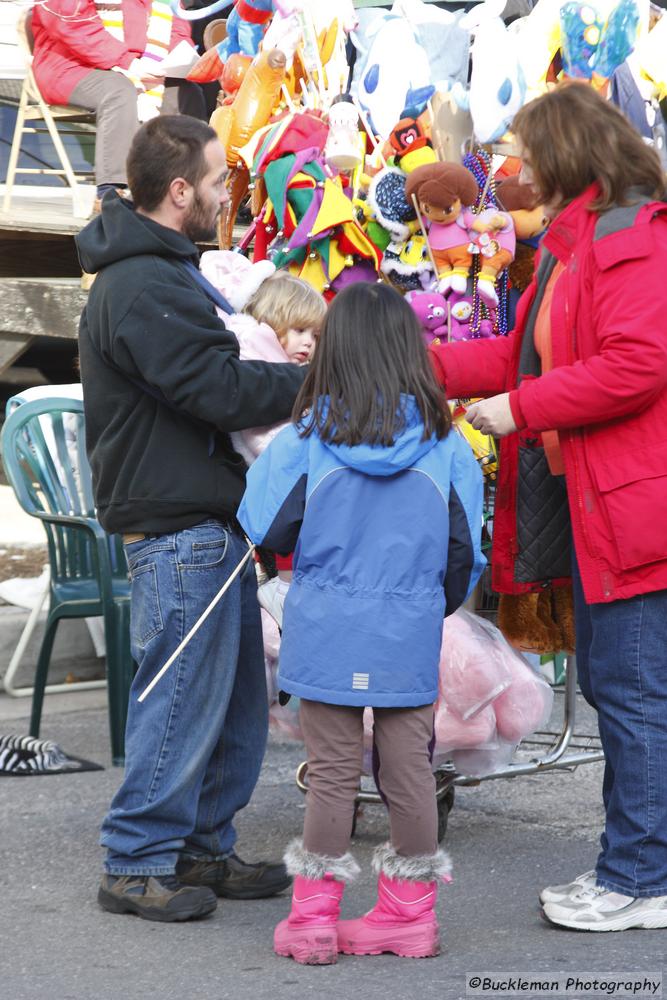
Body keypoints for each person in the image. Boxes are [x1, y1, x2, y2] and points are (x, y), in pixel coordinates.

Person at [428, 81, 667, 933]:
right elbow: (518, 353)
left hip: (635, 510)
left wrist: (519, 412)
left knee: (633, 695)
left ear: (565, 153)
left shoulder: (632, 240)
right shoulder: (576, 246)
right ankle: (634, 868)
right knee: (621, 689)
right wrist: (418, 365)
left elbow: (637, 365)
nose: (510, 169)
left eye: (523, 153)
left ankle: (640, 881)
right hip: (603, 505)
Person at [76, 114, 305, 922]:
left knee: (234, 700)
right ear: (179, 191)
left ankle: (201, 849)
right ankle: (135, 862)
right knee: (179, 698)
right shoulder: (142, 283)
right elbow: (216, 390)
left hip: (208, 525)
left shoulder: (166, 271)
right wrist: (318, 383)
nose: (222, 196)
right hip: (179, 526)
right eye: (215, 182)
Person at [238, 282, 485, 964]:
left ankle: (314, 919)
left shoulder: (306, 437)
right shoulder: (446, 445)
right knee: (408, 768)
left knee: (332, 770)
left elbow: (263, 523)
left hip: (326, 625)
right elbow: (464, 553)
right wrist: (427, 606)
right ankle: (408, 914)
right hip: (406, 626)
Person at [31, 0, 208, 207]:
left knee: (186, 93)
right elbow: (72, 24)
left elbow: (172, 22)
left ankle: (185, 185)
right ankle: (112, 190)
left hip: (138, 63)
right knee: (119, 89)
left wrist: (180, 58)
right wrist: (128, 63)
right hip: (68, 64)